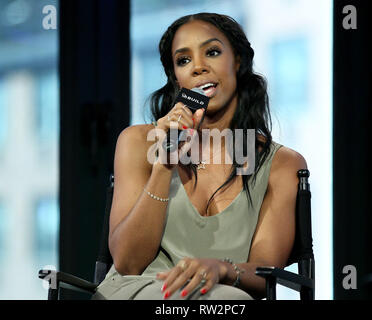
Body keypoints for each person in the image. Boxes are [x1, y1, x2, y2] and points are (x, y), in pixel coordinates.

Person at [92, 12, 307, 300]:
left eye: (213, 52)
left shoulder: (282, 164)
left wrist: (223, 269)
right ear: (176, 78)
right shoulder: (137, 142)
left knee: (230, 299)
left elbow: (266, 273)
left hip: (223, 296)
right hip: (139, 290)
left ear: (238, 62)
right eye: (183, 60)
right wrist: (164, 163)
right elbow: (129, 263)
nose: (198, 68)